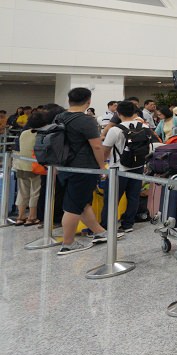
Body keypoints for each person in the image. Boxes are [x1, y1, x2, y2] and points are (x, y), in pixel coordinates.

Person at [55, 88, 112, 256]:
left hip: (64, 165)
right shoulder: (86, 120)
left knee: (82, 201)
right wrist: (102, 167)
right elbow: (96, 145)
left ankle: (99, 232)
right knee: (73, 206)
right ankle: (68, 243)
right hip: (83, 167)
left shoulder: (59, 117)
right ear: (88, 101)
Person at [99, 100, 152, 233]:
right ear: (135, 112)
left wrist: (102, 165)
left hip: (118, 169)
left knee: (112, 198)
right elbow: (148, 148)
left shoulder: (115, 130)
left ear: (118, 113)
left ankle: (107, 225)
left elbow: (105, 151)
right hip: (138, 166)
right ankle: (128, 224)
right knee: (133, 197)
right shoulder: (144, 127)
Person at [13, 110, 46, 225]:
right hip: (34, 167)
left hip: (21, 165)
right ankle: (32, 217)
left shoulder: (24, 133)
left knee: (22, 192)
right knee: (35, 192)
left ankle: (20, 216)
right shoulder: (41, 134)